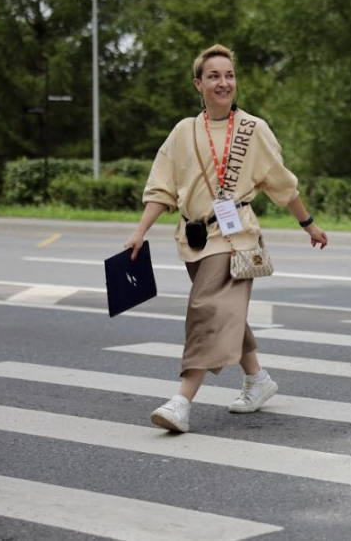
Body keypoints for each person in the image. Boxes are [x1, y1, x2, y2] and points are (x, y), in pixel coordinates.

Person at [123, 44, 328, 434]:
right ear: (197, 84)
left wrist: (309, 224)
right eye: (214, 76)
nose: (224, 82)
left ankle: (182, 400)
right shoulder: (184, 130)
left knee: (205, 309)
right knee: (226, 313)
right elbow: (161, 187)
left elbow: (281, 184)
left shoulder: (253, 129)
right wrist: (140, 231)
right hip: (193, 238)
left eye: (229, 75)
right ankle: (258, 379)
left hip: (235, 237)